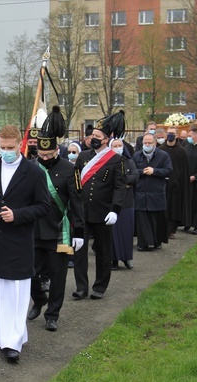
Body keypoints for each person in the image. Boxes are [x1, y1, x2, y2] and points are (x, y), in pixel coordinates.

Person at [0, 125, 50, 362]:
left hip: (18, 242)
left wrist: (17, 215)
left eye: (10, 147)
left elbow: (44, 207)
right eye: (2, 147)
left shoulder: (34, 173)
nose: (5, 151)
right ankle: (1, 336)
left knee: (16, 294)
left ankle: (14, 341)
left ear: (20, 145)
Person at [27, 107, 84, 332]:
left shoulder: (70, 169)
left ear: (56, 152)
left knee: (58, 276)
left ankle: (53, 314)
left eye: (49, 155)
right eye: (41, 156)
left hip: (59, 230)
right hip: (33, 231)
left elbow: (77, 202)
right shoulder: (30, 168)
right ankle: (39, 299)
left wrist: (79, 232)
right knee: (29, 273)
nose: (45, 158)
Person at [72, 111, 128, 300]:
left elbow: (120, 188)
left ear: (106, 139)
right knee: (79, 251)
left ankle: (100, 286)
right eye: (92, 136)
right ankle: (81, 287)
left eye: (97, 137)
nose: (93, 139)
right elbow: (77, 184)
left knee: (103, 252)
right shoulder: (83, 157)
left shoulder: (116, 160)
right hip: (82, 212)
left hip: (104, 213)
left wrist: (115, 210)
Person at [133, 132, 172, 250]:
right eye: (145, 143)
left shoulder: (163, 155)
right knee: (142, 220)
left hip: (156, 193)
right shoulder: (136, 156)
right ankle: (143, 243)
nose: (147, 144)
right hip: (141, 193)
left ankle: (157, 241)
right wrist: (142, 172)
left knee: (156, 220)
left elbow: (169, 170)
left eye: (149, 143)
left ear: (154, 143)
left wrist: (155, 171)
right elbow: (132, 172)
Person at [109, 138, 137, 269]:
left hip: (127, 202)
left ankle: (127, 258)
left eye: (120, 145)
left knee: (126, 231)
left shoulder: (129, 162)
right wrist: (123, 183)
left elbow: (135, 176)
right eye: (115, 145)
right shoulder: (108, 162)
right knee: (113, 233)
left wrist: (122, 181)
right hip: (112, 202)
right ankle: (113, 259)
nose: (118, 147)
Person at [161, 126, 191, 236]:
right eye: (169, 133)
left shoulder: (181, 151)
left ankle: (172, 229)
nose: (170, 135)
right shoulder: (161, 150)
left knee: (174, 207)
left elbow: (184, 169)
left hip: (176, 185)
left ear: (177, 135)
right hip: (163, 183)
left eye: (173, 133)